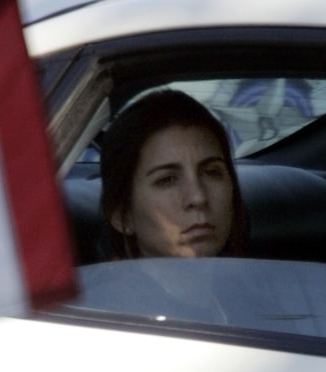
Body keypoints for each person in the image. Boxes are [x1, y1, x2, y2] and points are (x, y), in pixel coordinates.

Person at [100, 89, 246, 258]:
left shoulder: (266, 282)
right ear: (121, 216)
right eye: (167, 180)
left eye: (212, 172)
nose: (198, 198)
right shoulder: (107, 285)